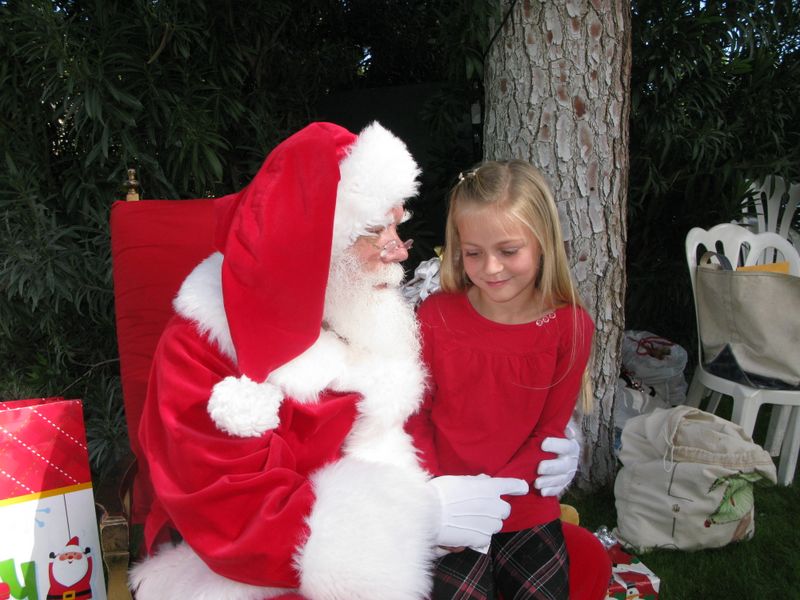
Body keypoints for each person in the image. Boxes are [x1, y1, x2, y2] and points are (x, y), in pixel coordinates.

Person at [129, 122, 586, 600]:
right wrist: (414, 517)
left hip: (410, 523)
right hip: (274, 570)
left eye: (396, 225)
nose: (396, 251)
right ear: (313, 241)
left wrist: (547, 437)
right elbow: (233, 517)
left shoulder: (362, 307)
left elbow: (439, 409)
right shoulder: (203, 344)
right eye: (374, 232)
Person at [406, 160, 596, 599]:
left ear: (543, 241)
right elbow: (418, 414)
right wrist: (437, 497)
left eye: (509, 251)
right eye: (473, 253)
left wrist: (493, 498)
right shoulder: (436, 316)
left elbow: (548, 432)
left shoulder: (570, 326)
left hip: (526, 503)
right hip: (448, 503)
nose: (491, 268)